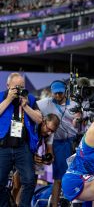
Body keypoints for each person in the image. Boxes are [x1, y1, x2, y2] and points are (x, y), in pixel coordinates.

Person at [0, 72, 43, 207]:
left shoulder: (29, 98)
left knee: (30, 181)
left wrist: (26, 106)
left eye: (22, 87)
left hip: (22, 147)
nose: (19, 90)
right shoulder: (1, 96)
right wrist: (8, 100)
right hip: (3, 147)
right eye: (16, 87)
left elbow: (39, 119)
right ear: (8, 86)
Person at [36, 80, 81, 207]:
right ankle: (55, 205)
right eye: (55, 93)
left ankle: (74, 203)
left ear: (65, 92)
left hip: (74, 142)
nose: (57, 96)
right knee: (59, 178)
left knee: (76, 176)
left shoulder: (74, 105)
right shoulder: (45, 103)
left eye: (60, 93)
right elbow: (32, 104)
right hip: (58, 144)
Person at [12, 113, 60, 206]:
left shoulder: (50, 132)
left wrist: (48, 159)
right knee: (17, 183)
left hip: (37, 153)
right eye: (48, 129)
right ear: (43, 122)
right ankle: (13, 201)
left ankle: (22, 203)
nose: (49, 132)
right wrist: (31, 157)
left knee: (31, 182)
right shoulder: (33, 125)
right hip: (21, 149)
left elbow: (49, 151)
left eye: (52, 131)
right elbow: (21, 145)